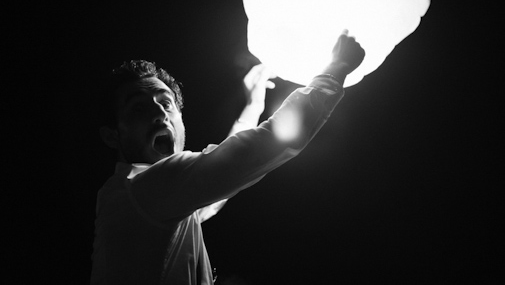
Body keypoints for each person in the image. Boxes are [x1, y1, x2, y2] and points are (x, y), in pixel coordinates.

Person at [90, 31, 365, 284]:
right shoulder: (141, 187)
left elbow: (218, 181)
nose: (160, 113)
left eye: (166, 102)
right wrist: (334, 70)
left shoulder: (152, 200)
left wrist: (253, 106)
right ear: (111, 135)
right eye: (138, 107)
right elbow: (255, 151)